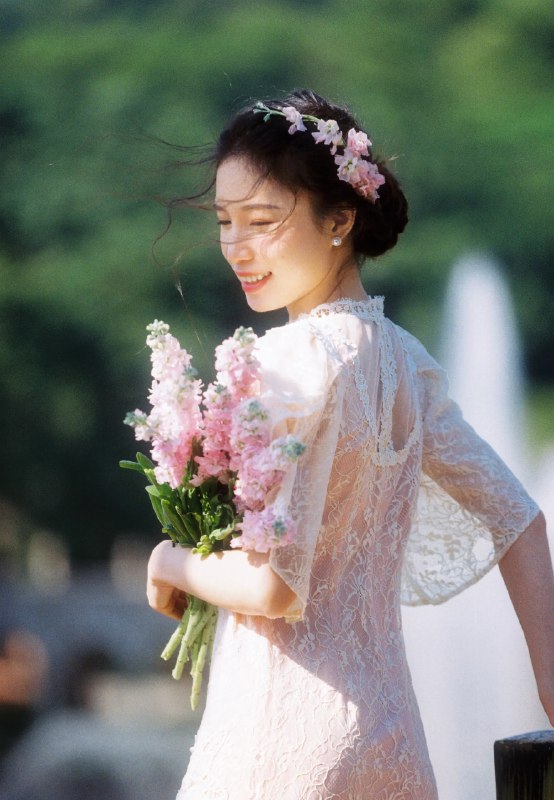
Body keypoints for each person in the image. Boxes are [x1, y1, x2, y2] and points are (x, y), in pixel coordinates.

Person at [146, 89, 554, 799]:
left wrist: (170, 561)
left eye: (263, 221)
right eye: (225, 221)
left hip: (278, 740)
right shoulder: (405, 362)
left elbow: (274, 587)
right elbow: (521, 519)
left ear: (340, 219)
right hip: (391, 738)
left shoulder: (287, 359)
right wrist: (549, 685)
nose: (238, 246)